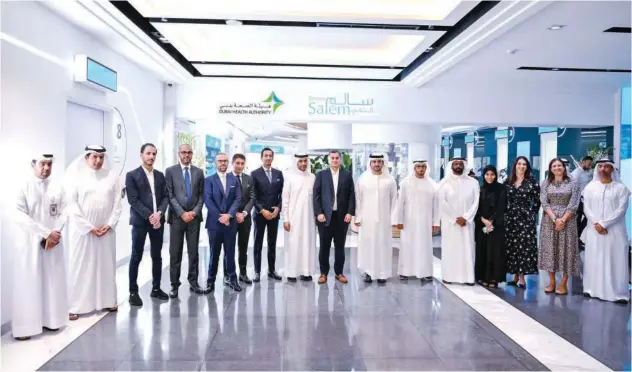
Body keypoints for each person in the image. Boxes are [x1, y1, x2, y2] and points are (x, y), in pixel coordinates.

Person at [12, 154, 67, 340]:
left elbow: (64, 211)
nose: (46, 168)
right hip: (30, 244)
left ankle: (51, 321)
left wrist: (56, 232)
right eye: (42, 164)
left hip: (53, 243)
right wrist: (45, 233)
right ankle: (25, 328)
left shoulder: (57, 186)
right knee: (30, 283)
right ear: (33, 164)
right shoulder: (23, 186)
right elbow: (19, 215)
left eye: (49, 164)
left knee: (52, 282)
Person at [66, 145, 122, 320]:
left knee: (106, 266)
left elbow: (117, 204)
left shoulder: (112, 177)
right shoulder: (76, 177)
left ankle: (108, 301)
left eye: (101, 157)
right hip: (83, 232)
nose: (98, 161)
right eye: (94, 157)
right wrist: (88, 227)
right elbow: (71, 204)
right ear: (86, 158)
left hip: (106, 231)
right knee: (81, 267)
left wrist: (110, 224)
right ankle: (76, 306)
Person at [125, 143, 169, 306]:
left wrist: (160, 213)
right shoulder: (132, 175)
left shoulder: (160, 175)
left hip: (158, 220)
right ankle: (133, 292)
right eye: (148, 153)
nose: (151, 156)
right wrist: (150, 215)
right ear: (141, 154)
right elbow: (133, 200)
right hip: (140, 222)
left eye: (154, 154)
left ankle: (156, 288)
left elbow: (165, 197)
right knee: (136, 255)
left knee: (157, 255)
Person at [582, 159, 630, 303]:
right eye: (600, 166)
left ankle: (617, 293)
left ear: (612, 169)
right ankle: (592, 289)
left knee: (615, 260)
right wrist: (597, 223)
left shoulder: (621, 189)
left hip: (614, 231)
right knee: (594, 259)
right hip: (594, 230)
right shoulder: (590, 187)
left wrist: (604, 224)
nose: (603, 169)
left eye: (607, 167)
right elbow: (586, 208)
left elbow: (621, 210)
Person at [165, 144, 205, 298]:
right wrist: (182, 213)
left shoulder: (198, 172)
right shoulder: (170, 171)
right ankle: (174, 285)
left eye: (189, 152)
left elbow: (201, 196)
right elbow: (170, 195)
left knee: (193, 252)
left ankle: (194, 282)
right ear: (178, 154)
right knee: (175, 253)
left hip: (194, 219)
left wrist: (194, 212)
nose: (186, 155)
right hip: (176, 218)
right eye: (184, 152)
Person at [538, 158, 581, 295]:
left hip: (568, 221)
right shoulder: (546, 183)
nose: (557, 168)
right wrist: (554, 218)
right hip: (549, 220)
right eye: (554, 166)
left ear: (564, 167)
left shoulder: (573, 182)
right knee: (550, 250)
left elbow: (574, 203)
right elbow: (544, 203)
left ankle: (563, 283)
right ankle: (551, 282)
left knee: (567, 250)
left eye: (559, 165)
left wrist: (562, 219)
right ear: (550, 169)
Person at [313, 150, 355, 284]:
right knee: (324, 247)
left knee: (340, 247)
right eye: (332, 158)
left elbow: (351, 196)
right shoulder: (321, 175)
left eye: (337, 158)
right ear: (328, 160)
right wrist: (318, 212)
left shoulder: (347, 175)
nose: (335, 160)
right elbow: (316, 196)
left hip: (341, 218)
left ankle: (339, 273)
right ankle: (323, 273)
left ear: (340, 160)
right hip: (325, 217)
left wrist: (350, 212)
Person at [354, 153, 398, 284]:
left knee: (383, 245)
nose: (377, 164)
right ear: (370, 163)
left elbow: (395, 201)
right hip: (366, 220)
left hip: (384, 220)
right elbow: (358, 200)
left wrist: (393, 219)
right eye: (374, 162)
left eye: (379, 162)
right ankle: (367, 272)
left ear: (383, 163)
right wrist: (358, 217)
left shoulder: (390, 180)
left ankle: (382, 273)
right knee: (367, 245)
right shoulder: (362, 179)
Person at [395, 160, 439, 282]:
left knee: (424, 246)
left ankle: (425, 272)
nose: (421, 169)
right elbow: (400, 203)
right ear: (414, 168)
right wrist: (399, 220)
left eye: (423, 167)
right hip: (408, 221)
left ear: (426, 168)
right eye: (418, 167)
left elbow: (436, 205)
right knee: (407, 245)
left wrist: (436, 222)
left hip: (425, 221)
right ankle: (405, 271)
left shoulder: (432, 184)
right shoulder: (405, 183)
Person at [437, 157, 480, 285]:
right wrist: (455, 218)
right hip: (450, 224)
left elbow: (476, 202)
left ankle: (468, 278)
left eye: (460, 164)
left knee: (468, 249)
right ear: (451, 166)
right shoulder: (444, 183)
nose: (458, 166)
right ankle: (449, 277)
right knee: (450, 250)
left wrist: (466, 218)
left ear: (464, 166)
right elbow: (441, 202)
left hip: (467, 223)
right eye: (455, 164)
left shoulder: (473, 182)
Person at [204, 153, 242, 292]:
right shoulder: (208, 180)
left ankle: (232, 279)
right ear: (215, 163)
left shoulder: (234, 179)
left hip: (230, 224)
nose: (223, 163)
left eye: (225, 161)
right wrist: (222, 217)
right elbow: (208, 201)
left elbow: (238, 199)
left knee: (230, 253)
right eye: (220, 161)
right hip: (215, 224)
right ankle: (210, 282)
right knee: (214, 254)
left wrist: (229, 215)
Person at [504, 156, 540, 288]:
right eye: (519, 164)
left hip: (525, 219)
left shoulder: (532, 183)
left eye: (524, 164)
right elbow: (503, 199)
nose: (521, 166)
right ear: (515, 166)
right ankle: (515, 275)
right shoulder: (507, 182)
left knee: (524, 247)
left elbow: (537, 201)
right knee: (513, 246)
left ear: (527, 167)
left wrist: (531, 213)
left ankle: (521, 277)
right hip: (510, 218)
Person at [250, 147, 284, 282]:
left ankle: (271, 270)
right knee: (257, 243)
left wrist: (278, 208)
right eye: (266, 156)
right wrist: (261, 210)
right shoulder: (254, 174)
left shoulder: (278, 174)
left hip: (274, 215)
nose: (268, 158)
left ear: (273, 157)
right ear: (261, 157)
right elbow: (253, 195)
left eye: (270, 156)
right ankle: (257, 271)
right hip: (260, 214)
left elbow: (282, 194)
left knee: (272, 243)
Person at [282, 154, 317, 282]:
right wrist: (285, 218)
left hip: (309, 219)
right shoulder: (289, 177)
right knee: (293, 244)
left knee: (307, 243)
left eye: (305, 161)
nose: (303, 164)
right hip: (293, 218)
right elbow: (285, 199)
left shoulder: (312, 177)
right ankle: (292, 273)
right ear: (296, 162)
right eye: (301, 161)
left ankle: (306, 271)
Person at [222, 153, 256, 285]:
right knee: (228, 248)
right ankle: (227, 275)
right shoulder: (226, 177)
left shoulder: (248, 179)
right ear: (232, 163)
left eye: (242, 163)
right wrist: (234, 213)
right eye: (237, 163)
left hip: (245, 220)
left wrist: (245, 213)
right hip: (230, 219)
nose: (240, 166)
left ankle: (242, 273)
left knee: (243, 248)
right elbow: (224, 199)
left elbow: (253, 198)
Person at [474, 165, 507, 288]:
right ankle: (482, 277)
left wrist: (491, 221)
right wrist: (482, 220)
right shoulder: (480, 189)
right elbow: (475, 207)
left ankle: (494, 278)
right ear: (484, 175)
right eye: (487, 174)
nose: (490, 177)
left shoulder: (501, 189)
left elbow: (502, 206)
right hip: (481, 225)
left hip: (496, 225)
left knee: (495, 252)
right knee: (482, 251)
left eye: (492, 174)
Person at [571, 156, 594, 240]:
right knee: (577, 219)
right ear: (583, 162)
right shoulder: (576, 173)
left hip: (587, 199)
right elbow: (572, 187)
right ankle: (576, 239)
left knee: (589, 218)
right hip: (578, 199)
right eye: (588, 164)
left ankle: (579, 235)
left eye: (591, 164)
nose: (590, 166)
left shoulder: (590, 172)